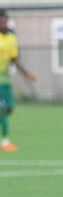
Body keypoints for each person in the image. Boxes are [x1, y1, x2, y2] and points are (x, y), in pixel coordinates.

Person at [0, 9, 35, 152]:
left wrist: (26, 73)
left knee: (9, 109)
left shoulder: (11, 38)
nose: (3, 22)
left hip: (5, 80)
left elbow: (14, 59)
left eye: (4, 20)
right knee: (1, 110)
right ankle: (5, 142)